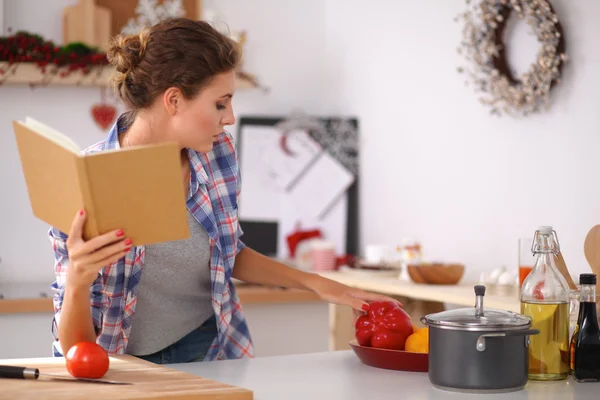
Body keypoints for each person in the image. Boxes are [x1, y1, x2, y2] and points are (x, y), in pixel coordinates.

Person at [49, 18, 397, 364]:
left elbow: (228, 254)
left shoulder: (217, 154)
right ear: (173, 100)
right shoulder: (88, 180)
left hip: (209, 345)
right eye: (220, 103)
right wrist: (78, 279)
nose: (229, 118)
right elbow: (74, 350)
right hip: (123, 362)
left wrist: (318, 284)